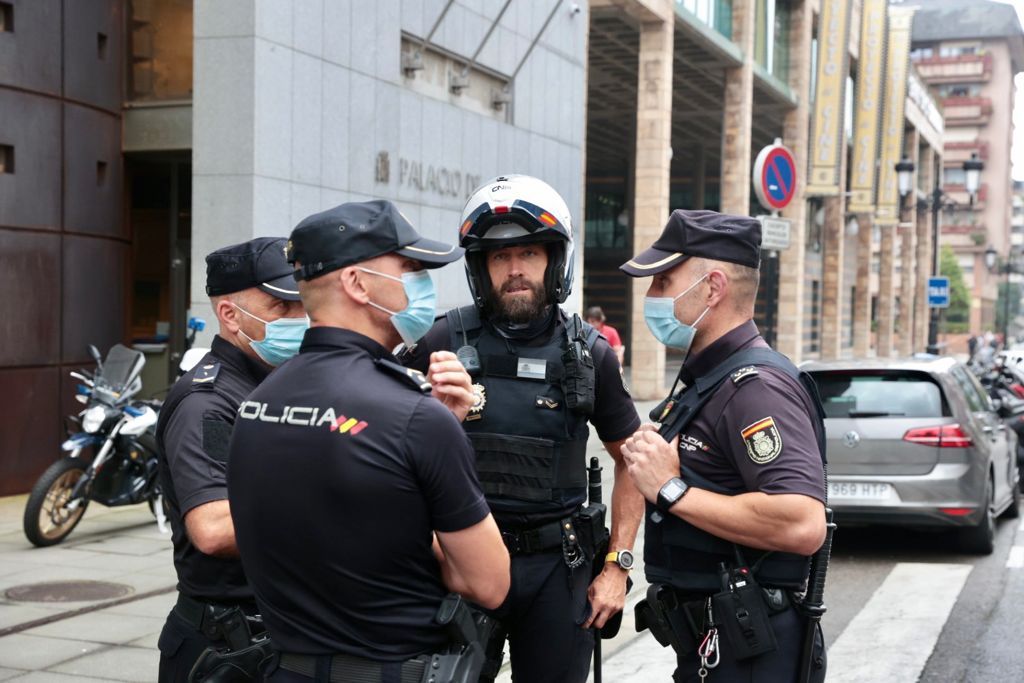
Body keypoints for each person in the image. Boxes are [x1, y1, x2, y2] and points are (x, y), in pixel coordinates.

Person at [227, 200, 510, 682]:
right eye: (409, 268)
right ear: (357, 283)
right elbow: (488, 583)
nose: (422, 283)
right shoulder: (416, 415)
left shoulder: (256, 402)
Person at [401, 175, 643, 683]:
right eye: (498, 257)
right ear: (479, 268)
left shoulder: (590, 354)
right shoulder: (442, 340)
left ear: (555, 261)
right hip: (460, 565)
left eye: (529, 253)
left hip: (559, 568)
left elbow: (632, 460)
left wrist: (617, 567)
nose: (514, 270)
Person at [618, 209, 829, 683]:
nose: (652, 297)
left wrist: (672, 489)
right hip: (718, 642)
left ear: (712, 288)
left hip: (753, 649)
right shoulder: (710, 380)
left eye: (662, 282)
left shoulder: (756, 388)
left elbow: (801, 522)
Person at [155, 237, 308, 682]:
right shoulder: (209, 403)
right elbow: (214, 528)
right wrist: (332, 518)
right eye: (282, 309)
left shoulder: (282, 386)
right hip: (225, 648)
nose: (300, 320)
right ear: (230, 315)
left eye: (303, 306)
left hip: (283, 632)